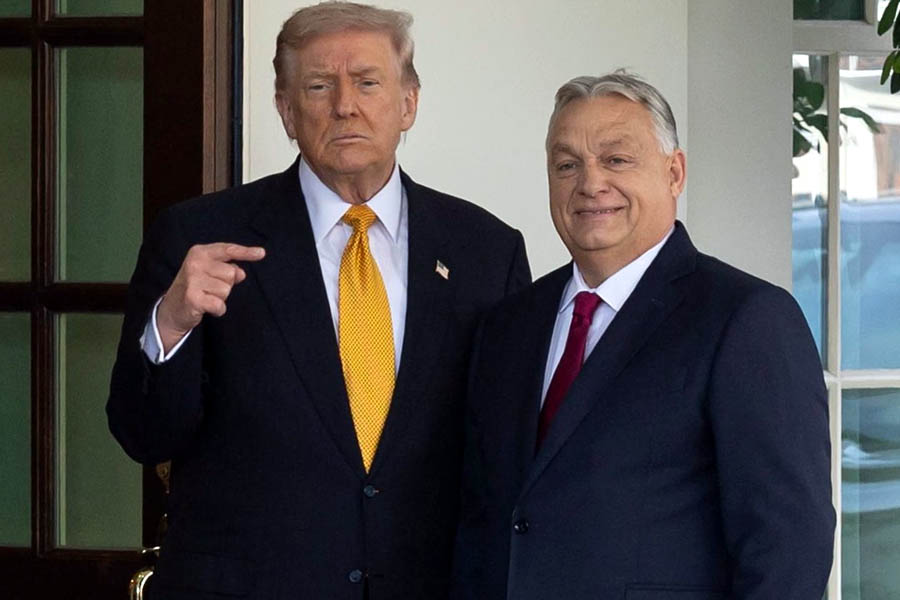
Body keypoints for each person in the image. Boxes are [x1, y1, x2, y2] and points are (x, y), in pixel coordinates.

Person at [106, 3, 530, 598]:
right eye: (319, 85)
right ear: (286, 109)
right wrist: (171, 322)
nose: (345, 105)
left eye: (367, 82)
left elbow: (508, 456)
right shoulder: (200, 237)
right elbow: (143, 436)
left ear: (408, 102)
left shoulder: (487, 251)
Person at [450, 71, 834, 600]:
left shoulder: (746, 320)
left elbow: (789, 548)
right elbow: (482, 523)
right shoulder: (508, 326)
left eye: (616, 159)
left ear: (674, 173)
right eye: (567, 165)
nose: (590, 184)